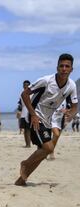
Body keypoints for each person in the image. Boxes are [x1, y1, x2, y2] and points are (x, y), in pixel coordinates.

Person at [15, 53, 78, 186]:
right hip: (36, 118)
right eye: (61, 66)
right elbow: (24, 94)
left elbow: (74, 106)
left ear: (72, 69)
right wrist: (33, 114)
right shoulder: (46, 80)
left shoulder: (71, 85)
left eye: (67, 66)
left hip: (48, 121)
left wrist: (70, 114)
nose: (64, 69)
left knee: (42, 153)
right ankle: (25, 163)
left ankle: (21, 180)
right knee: (48, 148)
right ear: (57, 67)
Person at [17, 80, 31, 147]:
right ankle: (27, 144)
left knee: (28, 130)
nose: (25, 86)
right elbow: (20, 105)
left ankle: (28, 144)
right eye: (24, 85)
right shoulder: (22, 94)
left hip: (29, 113)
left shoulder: (31, 94)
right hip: (23, 113)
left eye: (27, 85)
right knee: (26, 130)